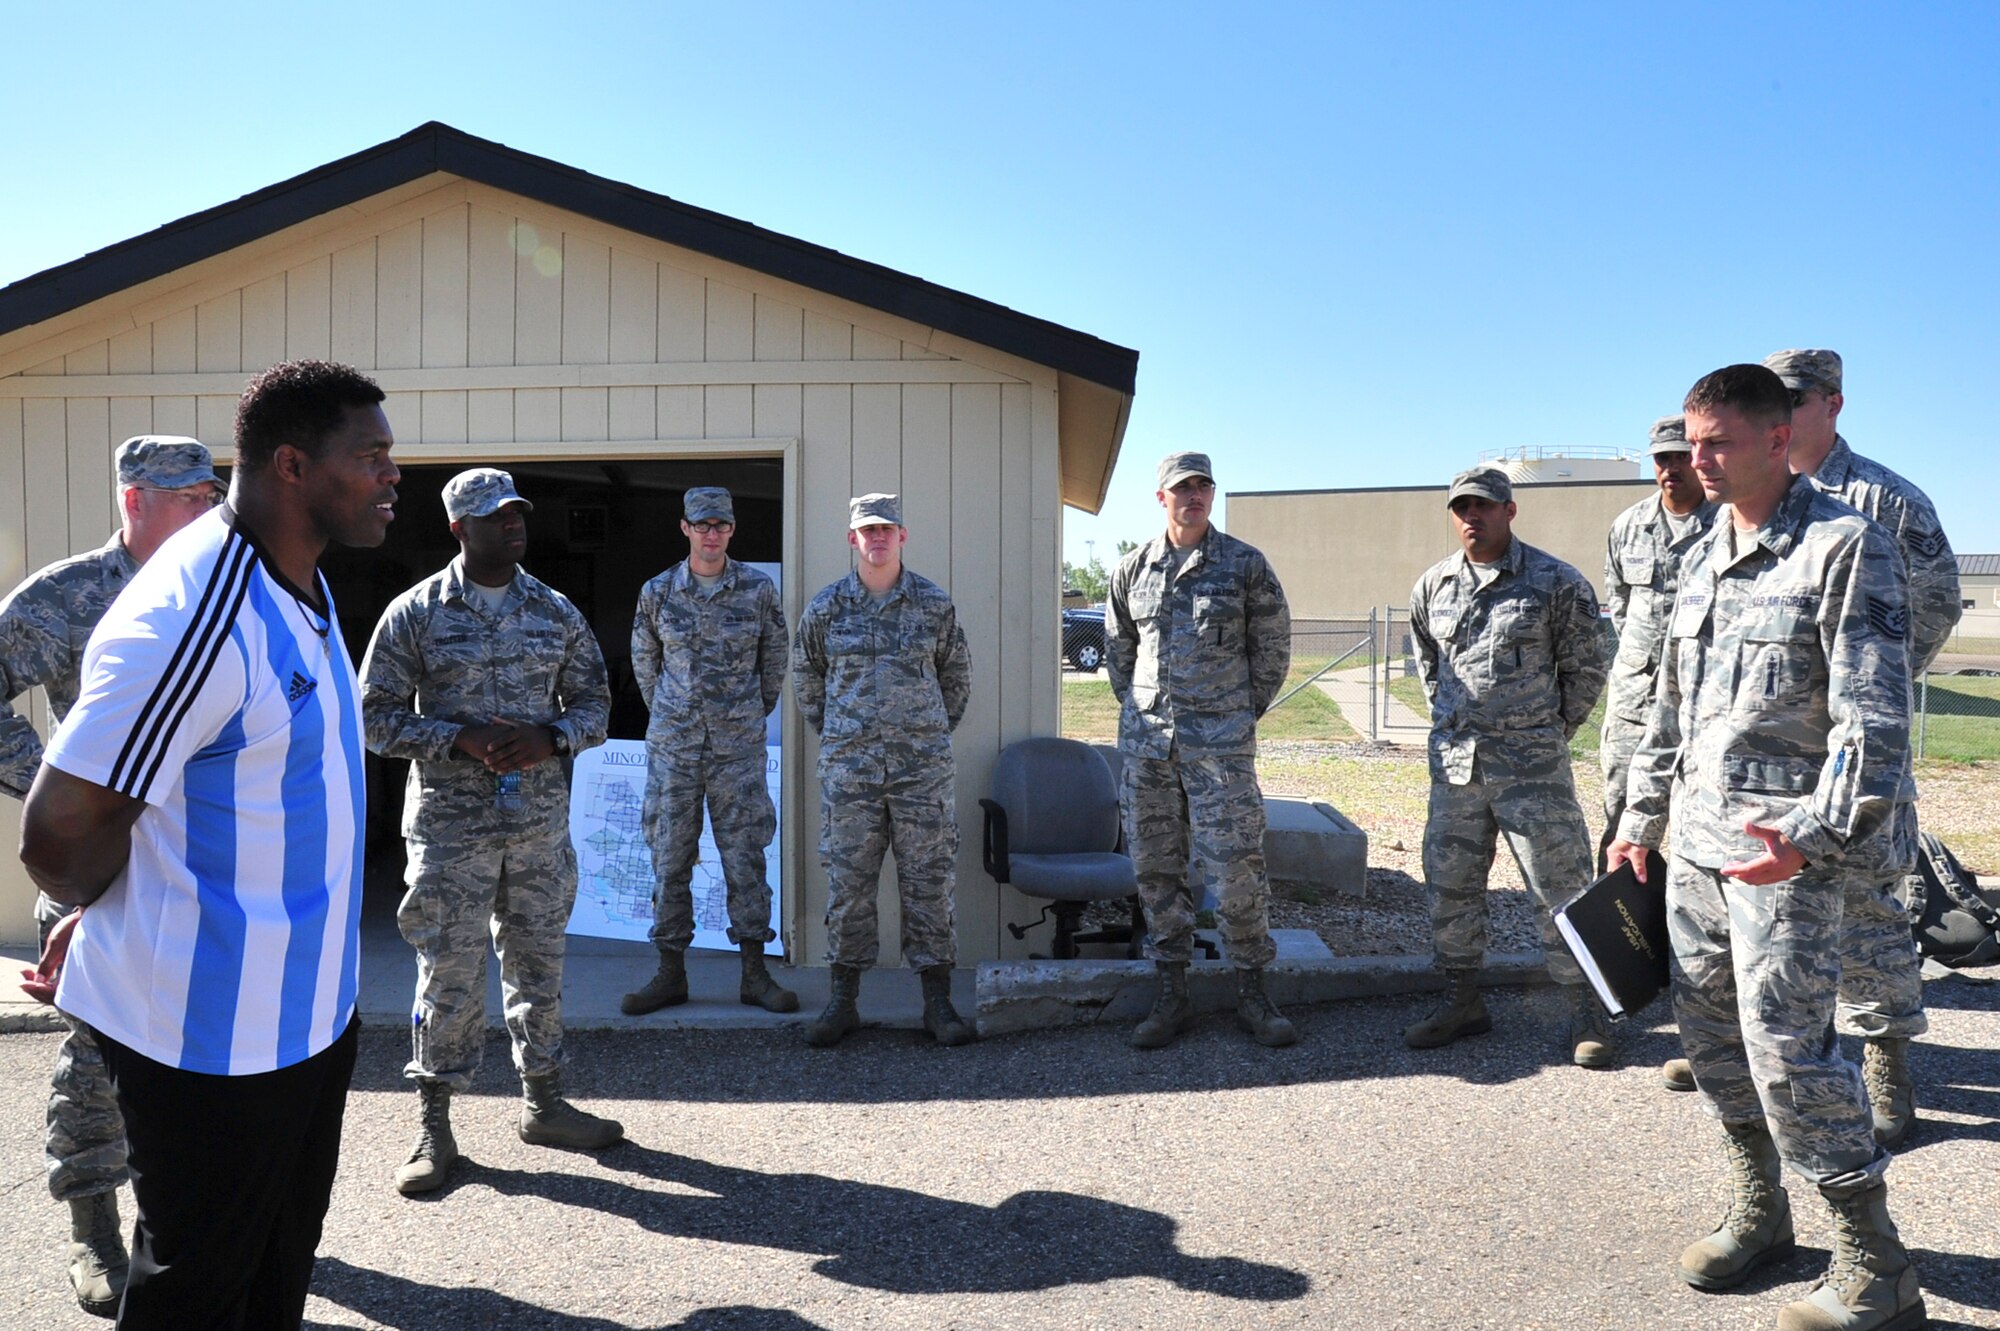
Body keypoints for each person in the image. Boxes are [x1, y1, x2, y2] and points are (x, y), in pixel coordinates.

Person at [19, 360, 397, 1328]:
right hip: (212, 1039)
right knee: (196, 1290)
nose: (394, 475)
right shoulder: (195, 614)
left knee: (275, 1267)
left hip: (307, 1012)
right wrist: (102, 917)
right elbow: (60, 836)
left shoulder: (298, 578)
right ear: (291, 465)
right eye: (371, 456)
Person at [1609, 363, 1923, 1330]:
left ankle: (1875, 1264)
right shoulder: (1701, 551)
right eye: (1692, 443)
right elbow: (1673, 701)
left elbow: (1873, 727)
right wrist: (1638, 815)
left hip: (1784, 852)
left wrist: (1808, 838)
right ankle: (1763, 1207)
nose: (1696, 460)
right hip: (1697, 850)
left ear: (1778, 441)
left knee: (1790, 1050)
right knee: (1709, 1042)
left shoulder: (1844, 546)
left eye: (1718, 443)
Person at [0, 435, 223, 1315]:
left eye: (212, 494)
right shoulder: (64, 597)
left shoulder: (223, 585)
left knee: (205, 1047)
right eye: (188, 496)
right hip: (105, 863)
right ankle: (93, 1227)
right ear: (134, 499)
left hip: (204, 859)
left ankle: (198, 1219)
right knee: (97, 1050)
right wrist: (55, 784)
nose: (207, 509)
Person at [360, 467, 620, 1197]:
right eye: (493, 516)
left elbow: (599, 701)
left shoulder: (555, 610)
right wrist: (458, 738)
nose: (512, 524)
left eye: (516, 513)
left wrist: (553, 735)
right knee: (447, 973)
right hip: (450, 831)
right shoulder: (415, 613)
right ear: (457, 528)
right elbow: (373, 716)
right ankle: (435, 1129)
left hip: (537, 824)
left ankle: (544, 1103)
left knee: (539, 964)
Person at [1749, 346, 1954, 1146]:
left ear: (1832, 404)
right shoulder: (1758, 500)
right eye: (1773, 400)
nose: (1784, 413)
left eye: (1796, 399)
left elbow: (1932, 607)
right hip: (1773, 754)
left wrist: (1866, 684)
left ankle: (1888, 1062)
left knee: (1873, 911)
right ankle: (1787, 1065)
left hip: (1860, 748)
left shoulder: (1889, 499)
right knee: (1777, 908)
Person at [1403, 466, 1613, 1065]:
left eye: (1485, 506)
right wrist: (1456, 727)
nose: (1473, 516)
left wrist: (1546, 731)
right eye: (1463, 507)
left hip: (1533, 770)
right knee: (1451, 888)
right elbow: (1430, 669)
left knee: (1561, 889)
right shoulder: (1433, 587)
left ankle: (1585, 1011)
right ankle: (1461, 998)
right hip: (1457, 772)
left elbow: (1586, 670)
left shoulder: (1555, 582)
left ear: (1510, 511)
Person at [1105, 452, 1297, 1049]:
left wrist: (1233, 716)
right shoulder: (1132, 569)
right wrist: (1147, 715)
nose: (1193, 496)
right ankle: (1172, 994)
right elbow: (1120, 653)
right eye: (1181, 488)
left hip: (1221, 753)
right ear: (1161, 497)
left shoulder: (1244, 566)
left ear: (1212, 495)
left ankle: (1252, 992)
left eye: (1202, 487)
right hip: (1149, 752)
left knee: (1236, 867)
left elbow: (1271, 652)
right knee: (1157, 873)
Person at [792, 492, 974, 1048]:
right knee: (849, 888)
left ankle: (937, 1003)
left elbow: (957, 683)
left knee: (929, 885)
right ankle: (843, 1001)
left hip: (922, 775)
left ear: (902, 536)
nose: (877, 538)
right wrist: (851, 737)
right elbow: (807, 684)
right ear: (852, 539)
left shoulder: (933, 605)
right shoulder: (827, 609)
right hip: (851, 776)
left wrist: (920, 738)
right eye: (867, 529)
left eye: (886, 529)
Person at [622, 486, 795, 1015]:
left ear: (732, 530)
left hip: (737, 750)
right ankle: (670, 973)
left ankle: (754, 974)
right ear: (686, 529)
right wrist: (674, 713)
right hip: (674, 749)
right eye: (702, 525)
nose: (712, 533)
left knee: (745, 859)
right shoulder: (658, 592)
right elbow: (644, 662)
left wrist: (744, 714)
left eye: (721, 524)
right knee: (670, 857)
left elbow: (774, 662)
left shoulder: (758, 589)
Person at [1599, 418, 1718, 882]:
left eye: (1680, 456)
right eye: (1662, 458)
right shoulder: (1629, 527)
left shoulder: (1726, 522)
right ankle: (1614, 931)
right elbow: (1622, 606)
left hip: (1704, 701)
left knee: (1704, 821)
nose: (1672, 468)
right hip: (1636, 702)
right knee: (1620, 817)